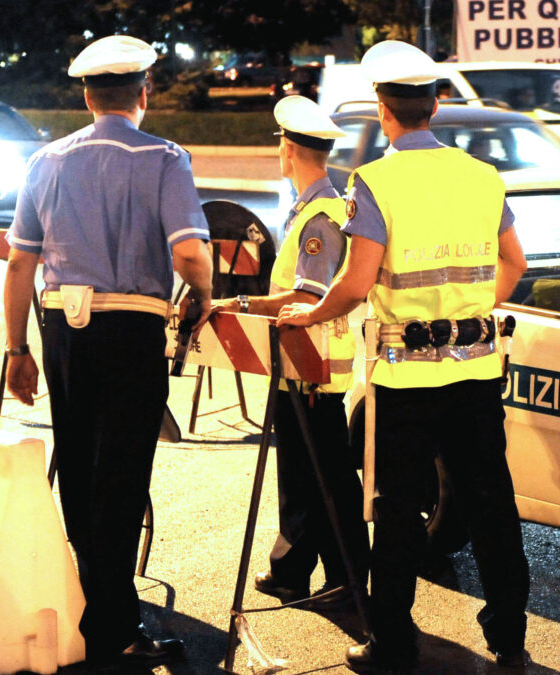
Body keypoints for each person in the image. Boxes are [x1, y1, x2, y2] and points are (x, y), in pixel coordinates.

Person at [277, 40, 531, 672]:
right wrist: (466, 312)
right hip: (476, 369)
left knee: (398, 509)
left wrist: (310, 314)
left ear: (384, 114)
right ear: (437, 107)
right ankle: (509, 633)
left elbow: (357, 283)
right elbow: (515, 265)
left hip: (406, 379)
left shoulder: (376, 182)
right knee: (492, 501)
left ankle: (391, 641)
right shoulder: (482, 176)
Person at [2, 34, 213, 668]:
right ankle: (116, 629)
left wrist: (17, 349)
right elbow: (189, 253)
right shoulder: (164, 159)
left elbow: (18, 264)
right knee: (121, 477)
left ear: (87, 96)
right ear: (144, 93)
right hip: (131, 331)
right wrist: (200, 294)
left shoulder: (46, 161)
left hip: (61, 328)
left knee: (82, 472)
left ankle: (94, 607)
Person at [216, 95, 368, 610]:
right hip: (304, 365)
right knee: (309, 477)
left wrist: (240, 302)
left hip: (313, 367)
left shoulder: (320, 216)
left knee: (324, 480)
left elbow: (308, 297)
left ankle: (346, 577)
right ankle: (301, 570)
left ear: (288, 150)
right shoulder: (313, 207)